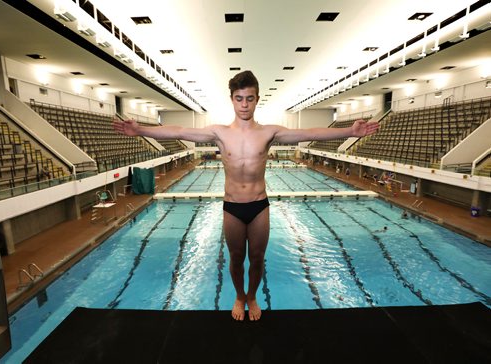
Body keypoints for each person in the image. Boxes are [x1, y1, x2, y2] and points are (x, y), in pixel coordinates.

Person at [113, 70, 379, 321]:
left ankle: (252, 296)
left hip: (259, 206)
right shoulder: (219, 133)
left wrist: (350, 132)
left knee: (258, 259)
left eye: (249, 99)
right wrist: (141, 130)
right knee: (236, 258)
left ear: (257, 99)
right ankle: (239, 296)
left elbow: (309, 132)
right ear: (232, 100)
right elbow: (179, 131)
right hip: (232, 207)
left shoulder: (268, 132)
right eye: (239, 98)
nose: (244, 104)